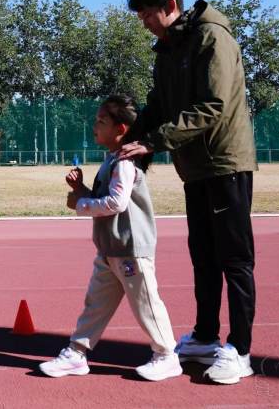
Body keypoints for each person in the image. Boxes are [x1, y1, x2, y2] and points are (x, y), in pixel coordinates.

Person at [121, 0, 258, 385]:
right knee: (203, 255)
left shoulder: (212, 38)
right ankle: (204, 336)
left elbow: (212, 105)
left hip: (225, 163)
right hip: (194, 166)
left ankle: (241, 350)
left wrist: (153, 142)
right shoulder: (168, 49)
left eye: (148, 14)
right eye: (141, 17)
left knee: (234, 259)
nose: (145, 22)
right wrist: (129, 139)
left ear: (170, 6)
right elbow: (158, 104)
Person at [39, 95, 181, 382]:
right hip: (109, 249)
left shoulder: (125, 162)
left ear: (121, 130)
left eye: (101, 121)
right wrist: (81, 190)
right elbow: (104, 199)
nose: (95, 126)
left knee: (146, 303)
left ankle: (167, 356)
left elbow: (117, 203)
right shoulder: (112, 160)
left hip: (130, 250)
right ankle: (77, 353)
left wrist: (81, 204)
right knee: (96, 304)